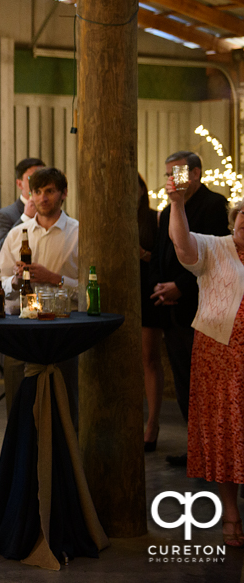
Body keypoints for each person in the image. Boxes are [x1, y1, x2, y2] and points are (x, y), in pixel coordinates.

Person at [164, 177, 244, 548]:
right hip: (220, 358)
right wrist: (177, 204)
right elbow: (182, 244)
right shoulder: (216, 248)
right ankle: (230, 516)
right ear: (233, 223)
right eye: (242, 220)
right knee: (227, 436)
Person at [149, 151, 230, 467]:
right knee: (184, 383)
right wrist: (159, 286)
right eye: (168, 174)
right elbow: (159, 253)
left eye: (178, 174)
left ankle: (214, 449)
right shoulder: (169, 208)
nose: (173, 180)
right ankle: (195, 445)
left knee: (206, 384)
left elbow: (214, 257)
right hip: (171, 309)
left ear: (196, 173)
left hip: (201, 306)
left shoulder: (215, 205)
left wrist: (180, 286)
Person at [0, 167, 79, 425]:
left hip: (64, 328)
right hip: (25, 326)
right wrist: (17, 280)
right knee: (21, 407)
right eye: (38, 192)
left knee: (65, 405)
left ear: (63, 193)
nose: (43, 198)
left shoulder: (78, 232)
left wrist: (54, 278)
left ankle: (66, 460)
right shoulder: (18, 233)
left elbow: (90, 287)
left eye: (50, 191)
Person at [138, 174, 164, 452]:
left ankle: (152, 423)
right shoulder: (110, 218)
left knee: (149, 359)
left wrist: (142, 253)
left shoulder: (155, 218)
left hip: (147, 292)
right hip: (120, 291)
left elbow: (163, 258)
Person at [0, 157, 45, 251]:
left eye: (43, 179)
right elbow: (0, 250)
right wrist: (26, 218)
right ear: (20, 184)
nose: (39, 184)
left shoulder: (56, 213)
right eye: (31, 179)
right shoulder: (4, 215)